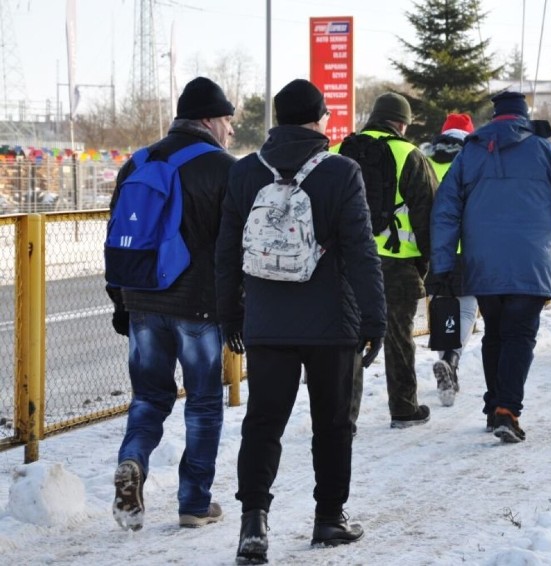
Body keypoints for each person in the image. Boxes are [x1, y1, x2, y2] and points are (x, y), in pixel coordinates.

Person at [215, 79, 386, 561]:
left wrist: (231, 312)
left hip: (266, 321)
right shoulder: (340, 172)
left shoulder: (246, 171)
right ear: (318, 119)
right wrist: (374, 319)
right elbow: (360, 251)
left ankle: (253, 523)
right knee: (332, 424)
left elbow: (227, 249)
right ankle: (329, 518)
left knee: (263, 422)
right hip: (332, 322)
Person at [107, 77, 236, 531]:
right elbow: (233, 247)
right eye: (226, 119)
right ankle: (194, 503)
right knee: (203, 402)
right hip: (198, 308)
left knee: (148, 398)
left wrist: (121, 301)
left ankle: (132, 462)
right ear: (207, 120)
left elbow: (116, 239)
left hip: (142, 299)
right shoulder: (223, 168)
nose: (231, 130)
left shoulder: (137, 162)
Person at [431, 91, 551, 443]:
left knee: (496, 333)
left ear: (495, 116)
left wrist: (442, 263)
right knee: (519, 334)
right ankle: (507, 409)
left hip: (482, 263)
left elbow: (445, 210)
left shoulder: (470, 153)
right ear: (524, 115)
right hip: (531, 260)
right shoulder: (548, 152)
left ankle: (494, 407)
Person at [344, 93, 438, 429]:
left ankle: (344, 418)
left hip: (348, 263)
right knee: (399, 337)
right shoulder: (408, 154)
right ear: (401, 123)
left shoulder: (340, 151)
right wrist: (427, 266)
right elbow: (428, 214)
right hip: (397, 265)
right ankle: (403, 408)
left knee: (351, 337)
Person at [423, 113, 476, 407]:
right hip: (467, 246)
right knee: (467, 308)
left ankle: (445, 363)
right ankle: (451, 360)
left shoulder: (425, 159)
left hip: (434, 247)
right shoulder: (474, 160)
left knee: (442, 307)